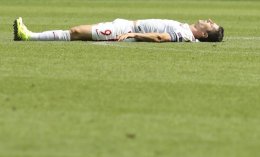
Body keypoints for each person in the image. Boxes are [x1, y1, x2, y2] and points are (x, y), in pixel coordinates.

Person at [13, 17, 224, 42]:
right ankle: (29, 36)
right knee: (76, 32)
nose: (209, 20)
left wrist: (134, 34)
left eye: (211, 24)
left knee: (76, 32)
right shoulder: (187, 29)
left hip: (122, 31)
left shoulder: (185, 35)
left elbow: (161, 37)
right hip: (123, 24)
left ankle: (28, 36)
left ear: (204, 34)